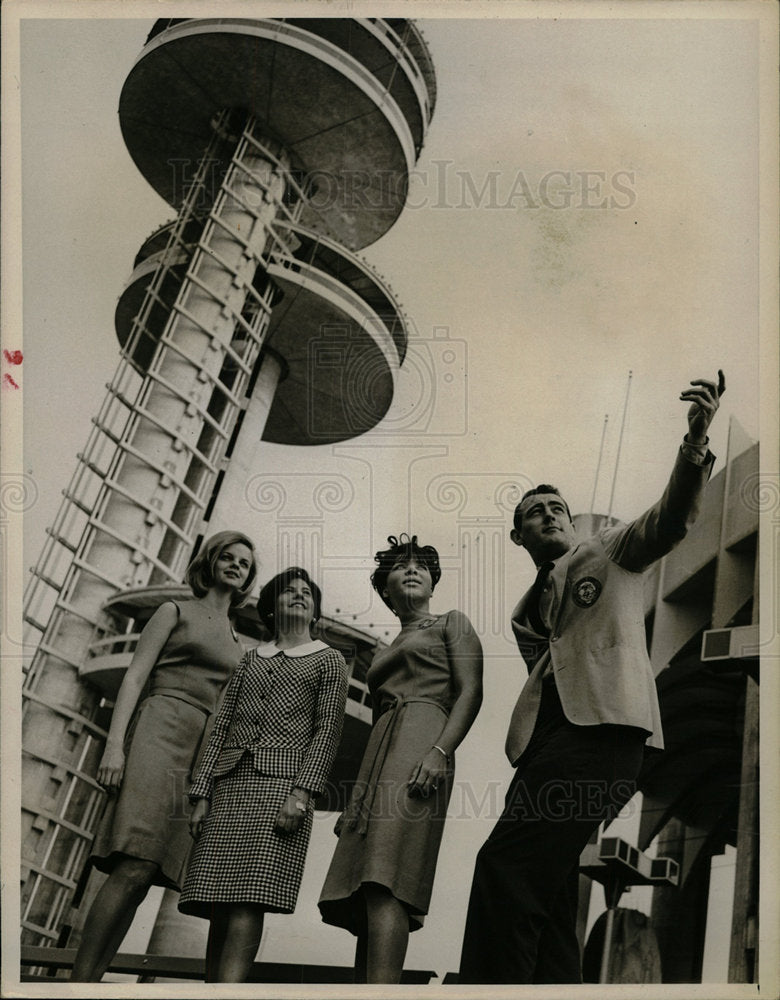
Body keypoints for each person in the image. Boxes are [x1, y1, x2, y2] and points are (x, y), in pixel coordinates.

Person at [458, 371, 725, 984]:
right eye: (535, 513)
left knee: (503, 868)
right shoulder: (527, 613)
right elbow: (550, 680)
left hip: (603, 737)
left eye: (557, 508)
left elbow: (670, 521)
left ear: (571, 521)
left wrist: (694, 443)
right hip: (545, 749)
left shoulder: (609, 551)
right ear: (518, 535)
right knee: (548, 896)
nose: (549, 515)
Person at [71, 531, 257, 982]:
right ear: (209, 561)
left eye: (245, 564)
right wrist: (115, 745)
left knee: (149, 871)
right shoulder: (174, 611)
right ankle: (79, 984)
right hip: (159, 727)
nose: (235, 566)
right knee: (132, 862)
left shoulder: (239, 642)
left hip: (199, 749)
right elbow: (135, 678)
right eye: (227, 558)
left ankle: (92, 981)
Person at [319, 534, 483, 983]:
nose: (411, 570)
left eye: (421, 566)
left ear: (432, 582)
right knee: (362, 883)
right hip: (382, 751)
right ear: (385, 588)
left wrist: (439, 752)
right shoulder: (385, 648)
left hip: (424, 740)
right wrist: (356, 798)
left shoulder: (451, 622)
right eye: (399, 566)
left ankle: (384, 991)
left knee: (386, 877)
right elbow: (376, 719)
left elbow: (471, 691)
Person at [178, 567, 348, 983]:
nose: (299, 595)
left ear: (315, 611)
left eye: (307, 593)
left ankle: (230, 991)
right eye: (289, 591)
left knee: (248, 900)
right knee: (217, 899)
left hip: (282, 789)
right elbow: (220, 725)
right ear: (271, 608)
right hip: (229, 787)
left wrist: (302, 794)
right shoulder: (250, 659)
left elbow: (327, 731)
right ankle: (212, 988)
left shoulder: (330, 660)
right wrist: (201, 793)